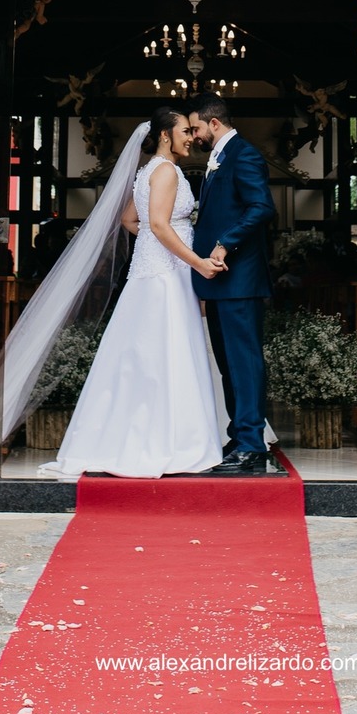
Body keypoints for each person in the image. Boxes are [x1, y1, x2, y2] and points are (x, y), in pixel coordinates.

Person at [40, 106, 224, 478]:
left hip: (149, 272)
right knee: (169, 353)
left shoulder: (146, 173)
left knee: (138, 357)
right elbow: (156, 224)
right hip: (167, 277)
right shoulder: (168, 171)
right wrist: (196, 260)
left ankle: (122, 437)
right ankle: (172, 443)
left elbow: (130, 220)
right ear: (164, 136)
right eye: (185, 131)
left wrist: (161, 245)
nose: (191, 137)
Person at [189, 93, 277, 475]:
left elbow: (262, 207)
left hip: (240, 280)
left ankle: (252, 445)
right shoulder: (220, 158)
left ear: (213, 123)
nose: (192, 136)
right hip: (220, 283)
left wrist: (225, 243)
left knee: (244, 363)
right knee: (227, 365)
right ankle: (239, 436)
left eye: (195, 128)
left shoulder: (244, 154)